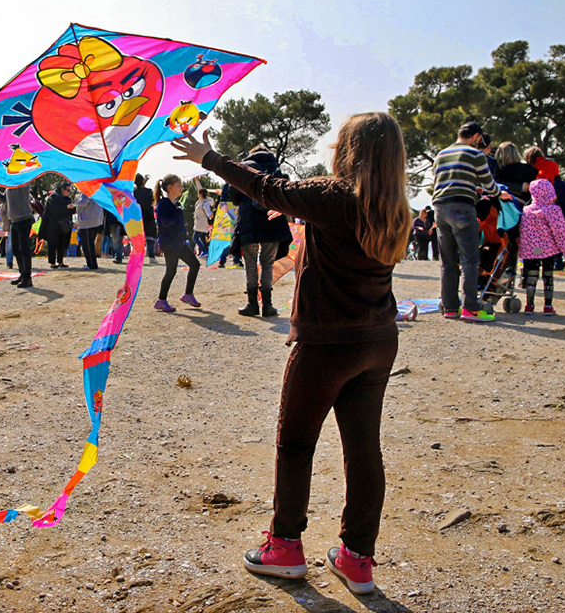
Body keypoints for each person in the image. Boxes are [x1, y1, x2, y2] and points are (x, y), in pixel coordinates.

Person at [171, 113, 411, 596]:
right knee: (364, 449)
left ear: (350, 150)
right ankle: (358, 559)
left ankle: (284, 547)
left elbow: (265, 188)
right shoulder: (394, 207)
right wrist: (303, 214)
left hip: (326, 344)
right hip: (378, 341)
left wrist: (209, 158)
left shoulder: (333, 194)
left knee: (296, 443)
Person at [431, 122, 498, 322]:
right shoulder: (476, 154)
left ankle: (451, 307)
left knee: (448, 261)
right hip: (463, 207)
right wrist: (497, 193)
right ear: (476, 137)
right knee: (470, 259)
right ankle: (471, 308)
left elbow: (438, 181)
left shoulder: (441, 154)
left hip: (440, 208)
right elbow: (488, 183)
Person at [226, 147, 291, 317]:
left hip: (250, 222)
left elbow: (233, 194)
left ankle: (252, 304)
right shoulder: (275, 170)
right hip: (272, 221)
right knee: (267, 263)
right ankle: (268, 305)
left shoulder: (245, 168)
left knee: (250, 262)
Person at [519, 179, 565, 315]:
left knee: (532, 274)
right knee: (548, 275)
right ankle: (548, 306)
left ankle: (529, 305)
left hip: (532, 249)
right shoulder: (553, 210)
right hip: (549, 248)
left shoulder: (526, 210)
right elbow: (560, 231)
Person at [152, 175, 201, 311]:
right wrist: (178, 213)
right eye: (179, 185)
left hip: (178, 242)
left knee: (195, 264)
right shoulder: (163, 204)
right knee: (171, 271)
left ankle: (188, 294)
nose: (181, 188)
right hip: (169, 244)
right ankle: (161, 300)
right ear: (170, 187)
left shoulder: (175, 204)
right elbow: (166, 222)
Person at [0, 183, 36, 287]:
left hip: (24, 219)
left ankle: (27, 278)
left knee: (24, 249)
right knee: (16, 249)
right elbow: (3, 199)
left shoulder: (23, 183)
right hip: (14, 221)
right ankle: (22, 274)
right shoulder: (8, 186)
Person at [40, 183, 75, 269]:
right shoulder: (53, 197)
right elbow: (54, 211)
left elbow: (69, 212)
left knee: (62, 243)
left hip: (64, 225)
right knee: (52, 244)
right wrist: (66, 207)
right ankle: (52, 262)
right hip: (52, 225)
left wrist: (72, 209)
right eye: (68, 190)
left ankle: (60, 261)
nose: (69, 192)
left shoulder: (67, 199)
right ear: (62, 189)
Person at [133, 174, 158, 264]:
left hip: (138, 216)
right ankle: (151, 256)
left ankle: (137, 257)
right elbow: (153, 201)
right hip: (148, 215)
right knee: (150, 237)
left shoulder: (134, 191)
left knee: (138, 238)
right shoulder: (148, 191)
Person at [75, 191, 103, 270]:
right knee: (90, 243)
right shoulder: (97, 191)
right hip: (95, 221)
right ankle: (92, 263)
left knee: (87, 244)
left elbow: (82, 203)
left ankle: (91, 264)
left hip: (88, 222)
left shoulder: (87, 191)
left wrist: (76, 198)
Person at [193, 185, 215, 256]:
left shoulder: (205, 204)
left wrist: (213, 214)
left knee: (195, 237)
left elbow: (209, 214)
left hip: (201, 223)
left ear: (200, 194)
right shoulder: (200, 202)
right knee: (202, 237)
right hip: (199, 223)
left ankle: (204, 250)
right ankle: (206, 251)